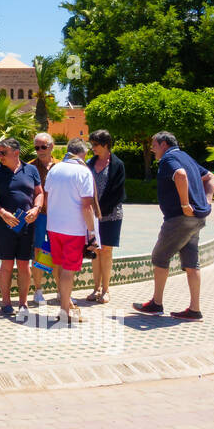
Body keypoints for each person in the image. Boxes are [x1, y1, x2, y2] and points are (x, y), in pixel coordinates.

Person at [132, 131, 214, 320]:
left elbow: (180, 175)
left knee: (160, 257)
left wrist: (185, 205)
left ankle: (156, 303)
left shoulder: (169, 159)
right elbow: (209, 176)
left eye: (154, 144)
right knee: (192, 264)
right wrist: (206, 201)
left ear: (163, 144)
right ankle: (194, 309)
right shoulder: (185, 156)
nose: (152, 148)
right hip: (197, 220)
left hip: (179, 219)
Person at [0, 137, 43, 321]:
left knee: (24, 264)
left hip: (27, 224)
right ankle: (6, 303)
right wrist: (2, 213)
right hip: (6, 224)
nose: (0, 156)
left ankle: (23, 303)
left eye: (3, 152)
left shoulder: (31, 169)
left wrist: (36, 208)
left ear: (16, 153)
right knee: (7, 264)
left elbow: (39, 193)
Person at [42, 139, 98, 323]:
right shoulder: (83, 172)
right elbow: (87, 206)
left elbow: (47, 197)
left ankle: (66, 304)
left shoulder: (55, 169)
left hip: (54, 226)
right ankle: (65, 310)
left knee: (58, 265)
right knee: (68, 269)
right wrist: (91, 232)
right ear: (83, 153)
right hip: (73, 229)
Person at [86, 129, 126, 303]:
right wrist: (91, 211)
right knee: (95, 250)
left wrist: (100, 210)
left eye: (95, 144)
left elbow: (117, 192)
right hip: (93, 215)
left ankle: (106, 290)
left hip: (111, 214)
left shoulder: (117, 165)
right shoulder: (89, 164)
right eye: (92, 144)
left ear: (106, 145)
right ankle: (95, 288)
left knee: (107, 251)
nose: (92, 148)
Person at [28, 132, 57, 307]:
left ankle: (63, 291)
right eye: (36, 147)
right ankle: (38, 291)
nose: (40, 150)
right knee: (38, 252)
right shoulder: (30, 167)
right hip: (39, 217)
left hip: (58, 217)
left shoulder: (61, 167)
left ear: (52, 146)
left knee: (58, 252)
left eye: (43, 147)